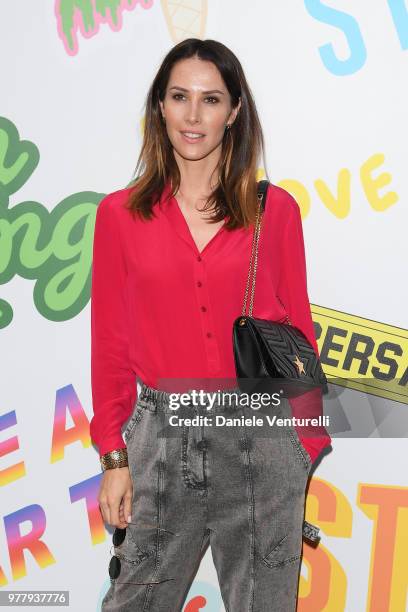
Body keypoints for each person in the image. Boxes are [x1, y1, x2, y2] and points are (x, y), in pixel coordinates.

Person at [90, 38, 332, 612]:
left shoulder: (276, 212)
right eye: (179, 97)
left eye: (211, 99)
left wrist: (302, 446)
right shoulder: (120, 215)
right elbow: (110, 345)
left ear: (235, 110)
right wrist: (114, 457)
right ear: (160, 107)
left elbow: (299, 333)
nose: (193, 116)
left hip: (261, 437)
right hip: (160, 437)